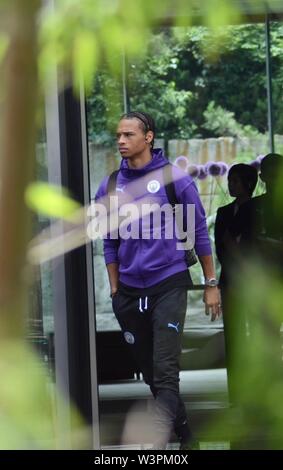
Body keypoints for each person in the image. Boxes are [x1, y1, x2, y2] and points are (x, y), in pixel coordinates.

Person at [95, 111, 221, 450]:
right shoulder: (109, 186)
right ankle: (187, 437)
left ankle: (156, 443)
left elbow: (198, 234)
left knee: (165, 369)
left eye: (128, 135)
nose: (121, 141)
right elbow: (108, 240)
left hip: (168, 283)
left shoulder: (174, 180)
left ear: (148, 137)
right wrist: (115, 287)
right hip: (129, 292)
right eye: (118, 136)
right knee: (152, 374)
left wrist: (211, 284)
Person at [214, 163, 258, 405]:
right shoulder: (223, 212)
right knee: (233, 334)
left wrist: (235, 245)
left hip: (252, 280)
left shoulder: (256, 209)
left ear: (248, 184)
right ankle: (236, 393)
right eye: (229, 180)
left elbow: (251, 244)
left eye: (235, 181)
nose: (230, 184)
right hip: (230, 280)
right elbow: (221, 246)